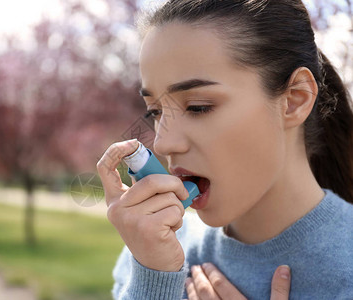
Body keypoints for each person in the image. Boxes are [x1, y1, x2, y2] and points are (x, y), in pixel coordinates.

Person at [96, 0, 353, 299]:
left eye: (198, 107)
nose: (163, 143)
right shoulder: (150, 252)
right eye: (155, 112)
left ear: (295, 99)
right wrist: (153, 279)